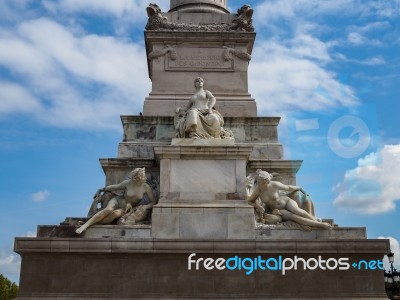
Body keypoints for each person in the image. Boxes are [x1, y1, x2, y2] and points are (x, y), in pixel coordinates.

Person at [75, 168, 157, 234]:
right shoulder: (128, 183)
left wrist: (146, 206)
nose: (144, 178)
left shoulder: (146, 187)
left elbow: (153, 201)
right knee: (108, 210)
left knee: (114, 214)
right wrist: (101, 189)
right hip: (118, 200)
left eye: (143, 176)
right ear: (136, 178)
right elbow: (115, 187)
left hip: (127, 208)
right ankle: (84, 226)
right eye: (142, 176)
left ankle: (91, 223)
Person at [246, 169, 331, 229]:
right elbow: (249, 201)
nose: (260, 184)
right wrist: (258, 206)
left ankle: (316, 220)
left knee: (299, 211)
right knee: (295, 217)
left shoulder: (274, 184)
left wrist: (300, 188)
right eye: (259, 182)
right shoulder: (258, 191)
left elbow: (288, 187)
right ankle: (320, 225)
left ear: (266, 181)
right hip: (278, 210)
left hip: (286, 201)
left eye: (263, 182)